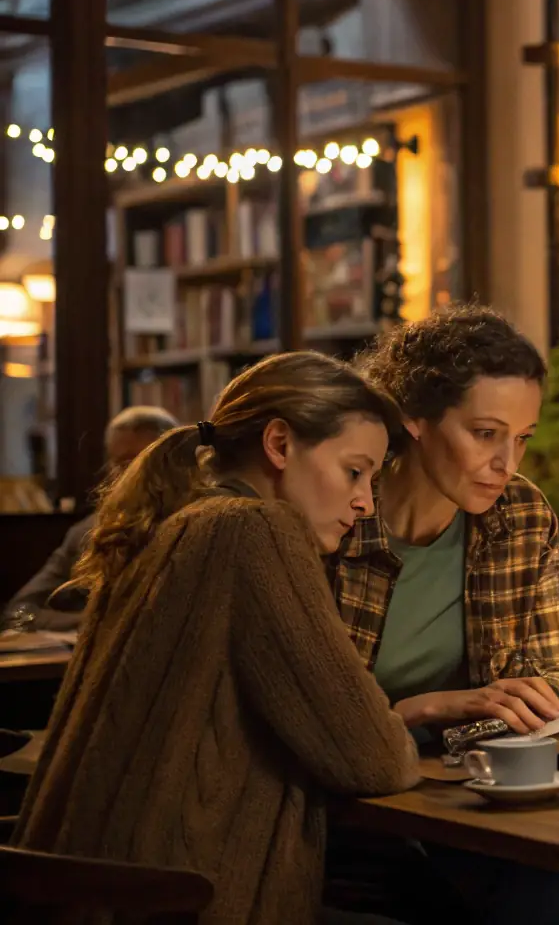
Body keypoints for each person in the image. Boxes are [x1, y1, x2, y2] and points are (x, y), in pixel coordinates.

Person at [14, 352, 420, 925]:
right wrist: (403, 722)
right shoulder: (255, 530)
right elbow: (375, 760)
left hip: (96, 895)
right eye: (355, 471)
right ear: (279, 444)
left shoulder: (174, 521)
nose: (366, 502)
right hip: (180, 901)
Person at [325, 303, 559, 925]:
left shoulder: (520, 514)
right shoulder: (336, 515)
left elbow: (556, 673)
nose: (508, 464)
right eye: (486, 433)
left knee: (546, 885)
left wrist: (504, 708)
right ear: (413, 418)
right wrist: (430, 709)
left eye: (522, 438)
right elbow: (310, 721)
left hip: (462, 787)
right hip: (345, 803)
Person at [2, 405, 178, 631]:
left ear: (175, 462)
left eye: (142, 460)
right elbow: (20, 611)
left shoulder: (198, 524)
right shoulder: (89, 532)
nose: (131, 473)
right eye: (121, 463)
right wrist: (94, 623)